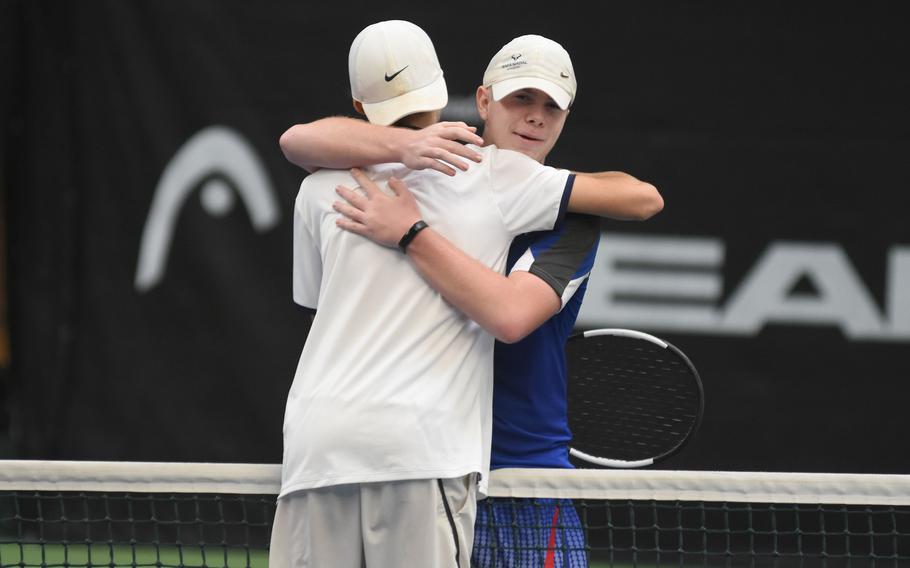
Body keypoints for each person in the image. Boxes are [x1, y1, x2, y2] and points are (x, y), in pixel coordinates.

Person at [280, 31, 662, 568]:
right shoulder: (406, 173)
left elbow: (512, 313)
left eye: (552, 107)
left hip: (519, 476)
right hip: (428, 463)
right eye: (521, 99)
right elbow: (297, 139)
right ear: (482, 100)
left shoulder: (563, 218)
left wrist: (411, 232)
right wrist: (402, 147)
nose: (535, 117)